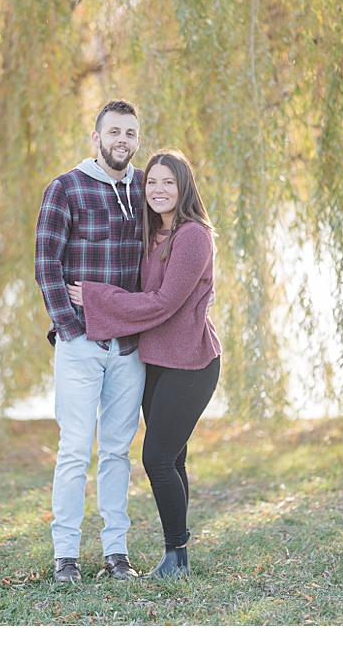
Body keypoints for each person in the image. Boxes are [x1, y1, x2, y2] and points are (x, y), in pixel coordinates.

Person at [67, 148, 221, 579]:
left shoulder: (192, 236)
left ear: (183, 187)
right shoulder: (153, 233)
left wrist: (95, 296)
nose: (158, 189)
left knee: (156, 458)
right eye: (151, 182)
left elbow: (164, 304)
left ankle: (175, 556)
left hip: (190, 364)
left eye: (168, 182)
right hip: (156, 361)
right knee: (173, 459)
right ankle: (180, 557)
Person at [34, 99, 147, 583]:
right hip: (81, 346)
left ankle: (116, 554)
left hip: (130, 349)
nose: (122, 140)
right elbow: (46, 267)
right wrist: (73, 331)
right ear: (96, 138)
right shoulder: (65, 189)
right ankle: (66, 557)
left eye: (130, 133)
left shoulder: (147, 187)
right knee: (76, 450)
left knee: (119, 452)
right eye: (114, 132)